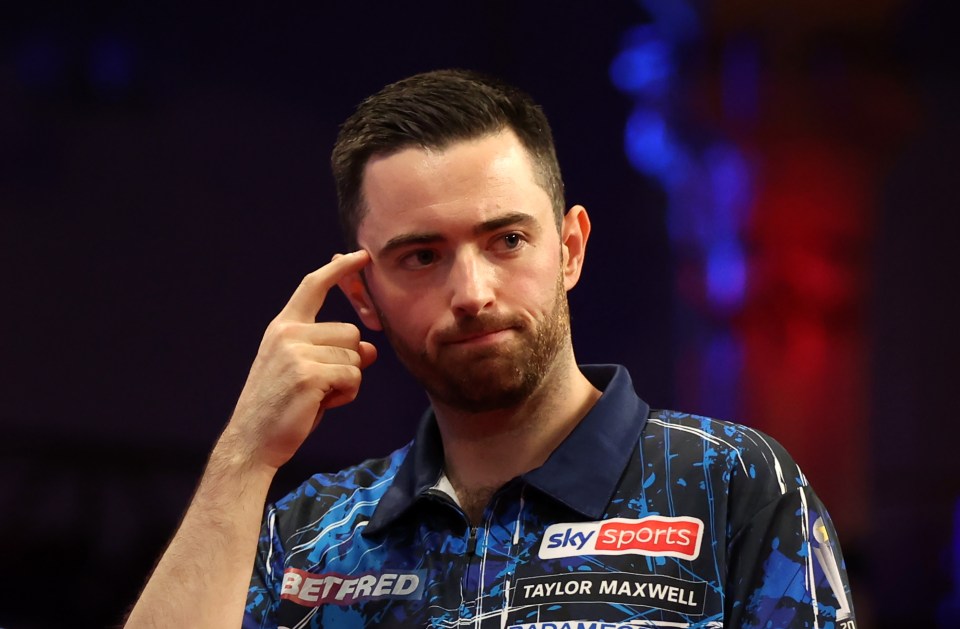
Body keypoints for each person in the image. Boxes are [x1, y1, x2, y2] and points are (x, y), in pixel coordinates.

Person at [125, 69, 857, 629]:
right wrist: (244, 457)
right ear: (363, 296)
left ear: (570, 248)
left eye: (506, 240)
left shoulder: (732, 484)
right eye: (421, 256)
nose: (472, 291)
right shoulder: (308, 534)